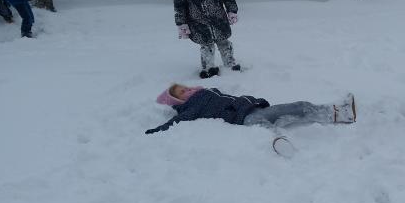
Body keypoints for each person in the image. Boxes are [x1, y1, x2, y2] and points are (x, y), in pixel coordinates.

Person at [145, 84, 356, 134]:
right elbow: (174, 123)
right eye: (180, 93)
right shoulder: (190, 108)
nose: (185, 90)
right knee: (297, 108)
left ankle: (337, 112)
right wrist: (155, 130)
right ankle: (341, 113)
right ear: (177, 102)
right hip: (244, 117)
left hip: (249, 111)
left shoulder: (206, 91)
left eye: (182, 87)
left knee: (294, 110)